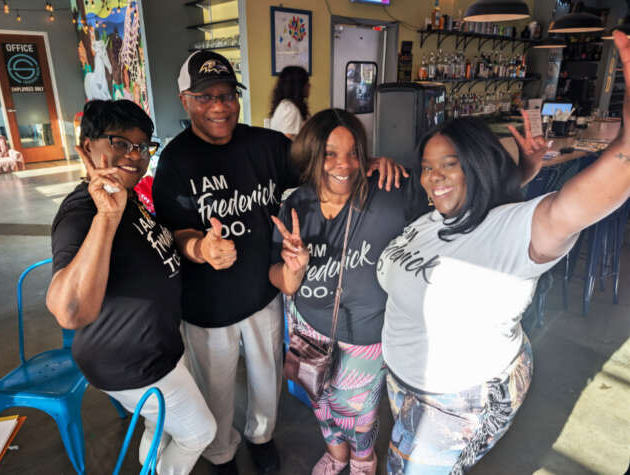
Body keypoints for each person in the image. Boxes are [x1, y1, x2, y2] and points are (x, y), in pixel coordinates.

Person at [377, 30, 630, 475]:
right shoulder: (434, 218)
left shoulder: (517, 231)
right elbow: (482, 205)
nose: (434, 177)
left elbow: (609, 179)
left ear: (476, 165)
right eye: (427, 167)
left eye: (450, 164)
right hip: (405, 381)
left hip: (461, 396)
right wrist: (523, 171)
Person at [151, 51, 403, 475]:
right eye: (205, 96)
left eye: (227, 95)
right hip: (206, 303)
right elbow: (176, 230)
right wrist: (200, 248)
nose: (219, 106)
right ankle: (221, 453)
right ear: (185, 100)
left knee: (266, 380)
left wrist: (367, 164)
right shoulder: (176, 160)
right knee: (216, 387)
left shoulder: (266, 145)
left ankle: (261, 437)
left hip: (265, 290)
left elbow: (324, 162)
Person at [46, 99, 216, 475]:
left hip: (156, 349)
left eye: (142, 146)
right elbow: (70, 312)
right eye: (120, 143)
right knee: (200, 432)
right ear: (87, 146)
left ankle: (150, 465)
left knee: (160, 426)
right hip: (129, 362)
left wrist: (201, 247)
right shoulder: (83, 213)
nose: (135, 155)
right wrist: (107, 217)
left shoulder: (128, 196)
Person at [269, 109, 426, 475]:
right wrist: (294, 269)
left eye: (354, 152)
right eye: (330, 153)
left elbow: (446, 213)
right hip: (309, 327)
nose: (345, 164)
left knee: (358, 413)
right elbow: (282, 282)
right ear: (311, 155)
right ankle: (337, 455)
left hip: (365, 334)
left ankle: (362, 460)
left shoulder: (389, 192)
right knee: (320, 400)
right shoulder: (297, 205)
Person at [269, 65, 310, 139]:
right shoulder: (290, 110)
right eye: (307, 82)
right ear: (298, 86)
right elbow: (286, 142)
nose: (309, 85)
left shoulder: (286, 105)